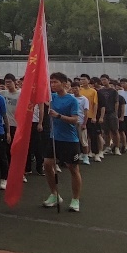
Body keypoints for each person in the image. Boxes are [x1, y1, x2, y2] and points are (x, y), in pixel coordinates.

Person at [43, 72, 82, 213]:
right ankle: (54, 194)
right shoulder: (52, 97)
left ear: (64, 84)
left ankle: (75, 199)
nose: (52, 85)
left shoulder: (72, 100)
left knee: (73, 169)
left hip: (69, 140)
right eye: (51, 82)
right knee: (47, 164)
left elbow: (75, 119)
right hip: (54, 138)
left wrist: (59, 116)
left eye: (55, 82)